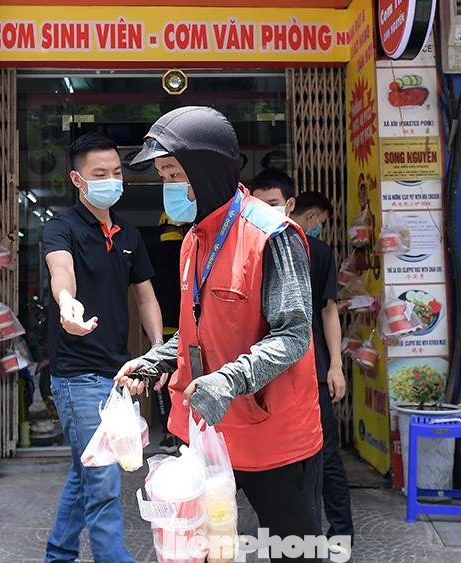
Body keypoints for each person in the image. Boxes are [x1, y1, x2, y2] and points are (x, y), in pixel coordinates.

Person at [115, 107, 326, 561]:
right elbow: (200, 327)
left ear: (205, 169)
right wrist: (160, 358)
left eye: (174, 172)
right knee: (205, 548)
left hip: (273, 435)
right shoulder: (194, 237)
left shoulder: (272, 235)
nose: (169, 185)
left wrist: (229, 380)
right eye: (163, 175)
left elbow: (293, 334)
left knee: (296, 551)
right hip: (208, 431)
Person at [41, 132, 162, 563]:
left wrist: (158, 348)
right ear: (77, 179)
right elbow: (62, 272)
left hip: (118, 374)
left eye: (116, 172)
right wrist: (67, 304)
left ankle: (58, 555)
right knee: (104, 477)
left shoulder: (128, 232)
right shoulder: (61, 228)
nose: (112, 179)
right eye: (100, 174)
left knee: (86, 469)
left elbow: (146, 296)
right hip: (77, 376)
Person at [251, 170, 355, 547]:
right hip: (262, 372)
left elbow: (328, 311)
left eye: (274, 204)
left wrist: (336, 366)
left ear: (291, 205)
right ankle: (289, 535)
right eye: (258, 205)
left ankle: (340, 534)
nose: (266, 212)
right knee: (273, 457)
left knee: (324, 455)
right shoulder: (249, 247)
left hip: (310, 369)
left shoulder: (318, 252)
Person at [150, 212, 190, 453]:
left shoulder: (151, 253)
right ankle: (187, 433)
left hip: (161, 330)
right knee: (186, 381)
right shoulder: (190, 249)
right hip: (187, 328)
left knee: (162, 383)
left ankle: (168, 434)